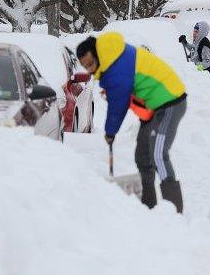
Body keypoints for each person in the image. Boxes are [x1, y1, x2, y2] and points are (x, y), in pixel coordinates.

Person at [77, 32, 187, 213]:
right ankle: (149, 205)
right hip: (154, 107)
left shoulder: (114, 65)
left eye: (90, 64)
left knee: (158, 154)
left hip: (170, 102)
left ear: (97, 54)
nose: (89, 70)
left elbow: (118, 105)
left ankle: (174, 211)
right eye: (85, 67)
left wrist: (110, 132)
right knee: (143, 155)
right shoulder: (112, 59)